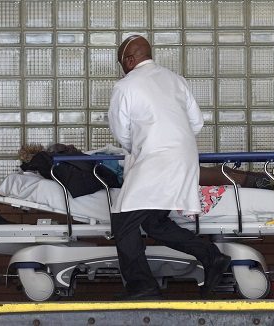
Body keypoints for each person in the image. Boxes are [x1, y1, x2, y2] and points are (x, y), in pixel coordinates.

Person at [108, 35, 231, 300]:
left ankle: (142, 286)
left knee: (124, 223)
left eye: (122, 62)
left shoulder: (125, 86)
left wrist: (142, 146)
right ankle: (212, 257)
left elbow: (122, 133)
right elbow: (196, 123)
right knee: (154, 221)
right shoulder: (176, 79)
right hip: (185, 159)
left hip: (154, 160)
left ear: (129, 60)